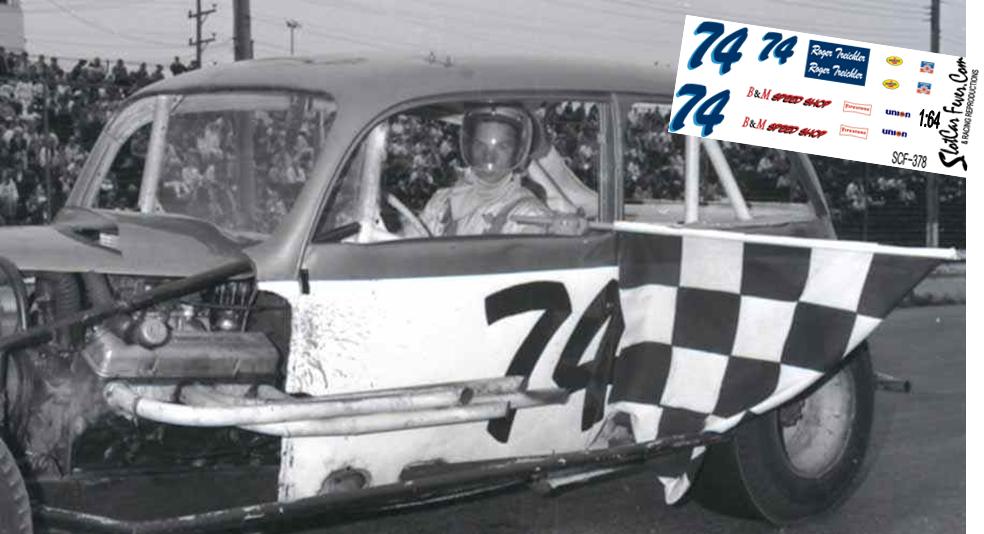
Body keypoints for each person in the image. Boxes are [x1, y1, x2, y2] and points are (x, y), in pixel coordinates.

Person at [416, 104, 553, 236]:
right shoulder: (441, 204)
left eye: (502, 147)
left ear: (517, 152)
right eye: (480, 145)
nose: (489, 157)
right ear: (469, 146)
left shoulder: (528, 215)